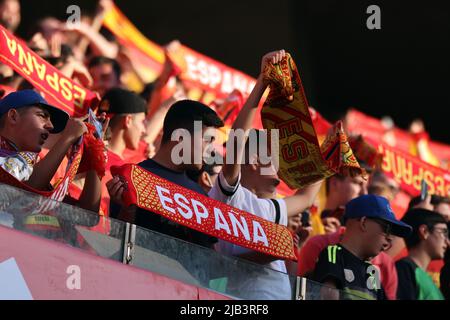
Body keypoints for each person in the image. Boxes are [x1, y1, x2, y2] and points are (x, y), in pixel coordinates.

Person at [208, 50, 322, 299]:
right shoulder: (230, 196)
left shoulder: (270, 208)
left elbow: (306, 197)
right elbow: (237, 139)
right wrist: (261, 83)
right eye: (276, 156)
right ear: (255, 160)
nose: (282, 164)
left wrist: (329, 153)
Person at [108, 99, 224, 249]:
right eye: (208, 140)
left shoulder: (200, 198)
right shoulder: (132, 179)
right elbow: (115, 245)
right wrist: (127, 210)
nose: (211, 150)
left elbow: (206, 262)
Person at [313, 194, 412, 300]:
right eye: (386, 229)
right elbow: (328, 295)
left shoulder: (372, 272)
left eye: (393, 233)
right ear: (364, 222)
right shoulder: (332, 254)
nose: (390, 239)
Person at [396, 209, 448, 300]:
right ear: (424, 232)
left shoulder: (425, 277)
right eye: (443, 232)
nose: (447, 242)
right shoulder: (404, 270)